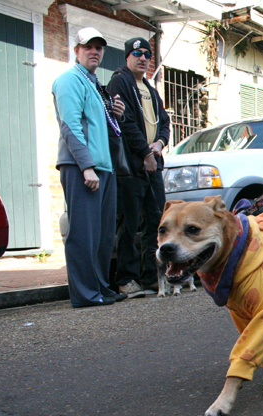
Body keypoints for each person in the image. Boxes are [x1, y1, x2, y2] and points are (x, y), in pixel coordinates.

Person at [53, 27, 127, 308]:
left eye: (99, 47)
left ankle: (101, 288)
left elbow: (100, 128)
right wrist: (86, 167)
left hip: (103, 167)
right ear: (76, 51)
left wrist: (115, 114)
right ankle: (86, 294)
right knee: (84, 233)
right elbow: (70, 126)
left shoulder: (95, 85)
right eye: (88, 47)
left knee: (104, 234)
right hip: (81, 166)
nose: (94, 51)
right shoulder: (69, 80)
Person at [108, 37, 171, 298]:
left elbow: (165, 122)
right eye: (137, 53)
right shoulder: (120, 81)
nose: (143, 58)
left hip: (152, 164)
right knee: (129, 223)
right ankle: (126, 279)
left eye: (147, 54)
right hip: (132, 166)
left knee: (156, 223)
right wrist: (145, 153)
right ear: (127, 57)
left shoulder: (149, 88)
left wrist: (158, 143)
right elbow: (126, 123)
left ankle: (151, 277)